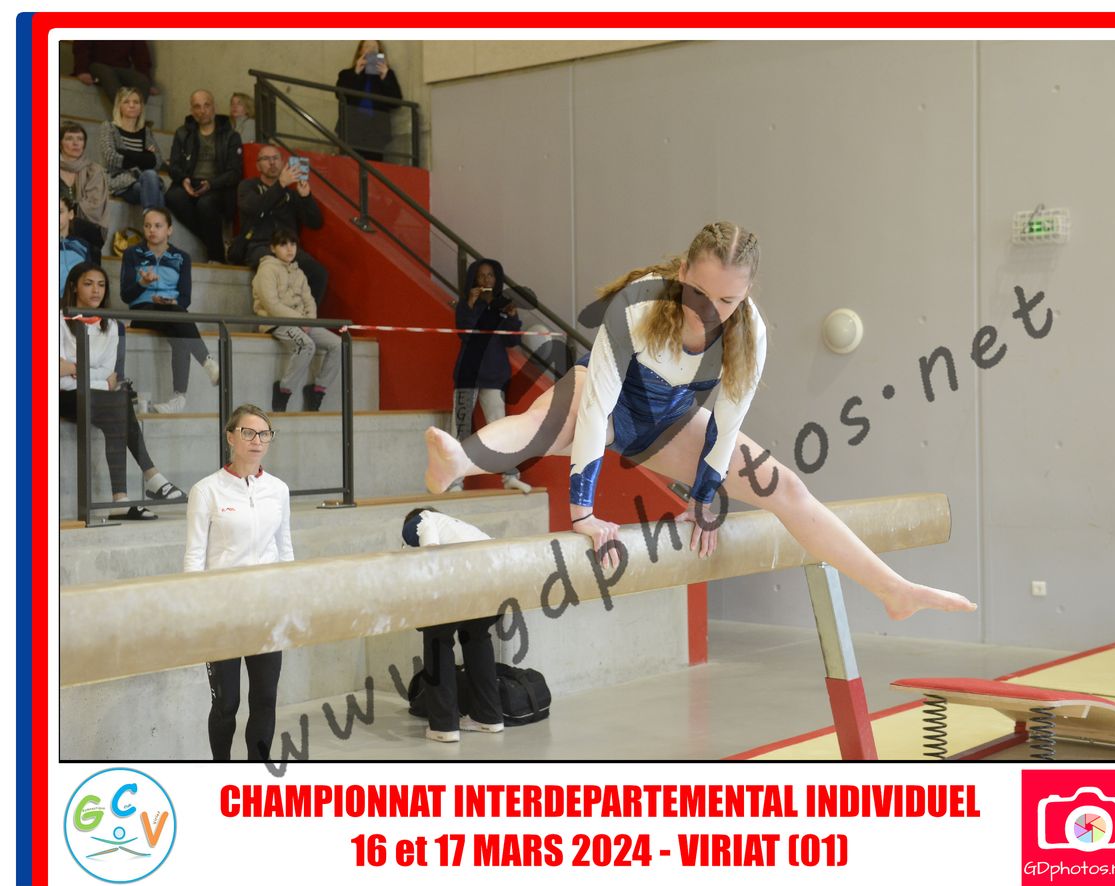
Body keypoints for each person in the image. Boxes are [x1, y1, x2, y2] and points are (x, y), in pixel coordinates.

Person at [424, 222, 978, 622]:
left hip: (669, 425)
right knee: (551, 414)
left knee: (786, 488)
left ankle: (892, 589)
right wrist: (583, 512)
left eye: (729, 299)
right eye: (700, 292)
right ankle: (460, 459)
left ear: (748, 292)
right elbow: (596, 411)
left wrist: (705, 497)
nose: (711, 309)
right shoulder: (638, 305)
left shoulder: (750, 333)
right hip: (605, 406)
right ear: (682, 271)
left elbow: (725, 425)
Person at [183, 403, 293, 761]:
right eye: (248, 432)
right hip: (223, 613)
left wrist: (289, 603)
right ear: (230, 437)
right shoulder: (206, 490)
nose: (257, 440)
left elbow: (285, 549)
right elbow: (194, 557)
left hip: (267, 611)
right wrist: (196, 611)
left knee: (265, 699)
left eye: (264, 434)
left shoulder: (278, 490)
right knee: (226, 704)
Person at [59, 263, 185, 520]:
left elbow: (110, 375)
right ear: (73, 286)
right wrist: (92, 376)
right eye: (88, 284)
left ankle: (123, 499)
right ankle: (150, 479)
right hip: (62, 396)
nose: (96, 290)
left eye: (101, 285)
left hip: (97, 397)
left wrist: (74, 369)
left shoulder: (113, 325)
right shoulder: (57, 319)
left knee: (118, 405)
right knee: (119, 402)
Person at [402, 508, 505, 743]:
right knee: (476, 636)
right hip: (496, 578)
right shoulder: (463, 528)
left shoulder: (420, 519)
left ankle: (444, 725)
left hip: (460, 579)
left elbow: (430, 555)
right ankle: (488, 716)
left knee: (438, 640)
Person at [120, 207, 220, 413]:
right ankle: (207, 362)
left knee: (180, 333)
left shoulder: (182, 257)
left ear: (169, 230)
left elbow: (185, 298)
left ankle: (178, 399)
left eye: (158, 226)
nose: (152, 230)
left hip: (172, 311)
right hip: (142, 311)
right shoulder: (132, 254)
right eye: (147, 226)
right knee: (180, 319)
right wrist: (143, 284)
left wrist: (171, 301)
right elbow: (126, 295)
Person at [449, 258, 531, 493]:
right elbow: (465, 334)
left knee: (500, 429)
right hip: (468, 375)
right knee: (460, 428)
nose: (486, 279)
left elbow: (512, 341)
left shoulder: (502, 305)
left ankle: (510, 477)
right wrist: (471, 304)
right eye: (482, 275)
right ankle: (454, 482)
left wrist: (512, 317)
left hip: (494, 375)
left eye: (491, 275)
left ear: (497, 280)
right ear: (474, 279)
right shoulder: (466, 304)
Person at [252, 228, 340, 412]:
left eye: (293, 244)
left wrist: (309, 321)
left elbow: (310, 301)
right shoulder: (266, 269)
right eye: (283, 244)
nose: (289, 249)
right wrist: (301, 320)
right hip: (276, 322)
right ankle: (283, 390)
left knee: (339, 345)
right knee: (306, 345)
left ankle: (317, 391)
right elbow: (272, 305)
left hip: (302, 323)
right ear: (273, 248)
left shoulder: (298, 272)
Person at [237, 145, 328, 303]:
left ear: (282, 162)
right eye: (266, 159)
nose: (272, 162)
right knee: (276, 267)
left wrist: (306, 197)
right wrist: (280, 184)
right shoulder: (247, 186)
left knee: (319, 273)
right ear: (258, 166)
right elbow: (256, 208)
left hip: (288, 247)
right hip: (259, 246)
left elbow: (315, 223)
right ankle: (282, 315)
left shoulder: (291, 193)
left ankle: (305, 316)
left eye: (276, 158)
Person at [165, 90, 243, 263]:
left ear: (214, 107)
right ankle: (216, 243)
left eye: (206, 105)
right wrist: (183, 179)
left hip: (218, 186)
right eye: (197, 106)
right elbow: (174, 166)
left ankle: (217, 257)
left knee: (205, 204)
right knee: (172, 196)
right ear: (192, 111)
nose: (202, 111)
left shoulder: (231, 136)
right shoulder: (182, 133)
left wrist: (211, 184)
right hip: (190, 181)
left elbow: (234, 172)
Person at [98, 87, 165, 213]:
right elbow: (111, 157)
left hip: (143, 179)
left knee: (150, 176)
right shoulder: (109, 127)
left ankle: (150, 219)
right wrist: (145, 157)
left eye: (136, 102)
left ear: (141, 107)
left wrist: (125, 154)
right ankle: (156, 222)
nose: (132, 105)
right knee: (155, 190)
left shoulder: (145, 131)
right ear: (119, 106)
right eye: (126, 102)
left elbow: (157, 161)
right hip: (119, 181)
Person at [335, 40, 403, 161]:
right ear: (360, 51)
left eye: (374, 47)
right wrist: (356, 72)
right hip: (351, 130)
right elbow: (340, 95)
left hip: (376, 131)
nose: (371, 49)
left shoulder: (387, 74)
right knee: (349, 166)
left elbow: (396, 102)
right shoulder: (346, 74)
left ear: (380, 52)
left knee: (373, 166)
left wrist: (385, 77)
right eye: (367, 46)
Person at [59, 121, 109, 248]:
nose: (75, 143)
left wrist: (68, 213)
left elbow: (95, 207)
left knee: (86, 232)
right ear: (60, 143)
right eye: (69, 138)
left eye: (80, 139)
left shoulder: (94, 170)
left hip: (85, 226)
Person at [71, 40, 156, 106]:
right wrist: (82, 70)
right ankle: (124, 112)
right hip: (96, 65)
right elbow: (81, 47)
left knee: (142, 81)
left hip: (120, 68)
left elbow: (141, 56)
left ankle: (134, 116)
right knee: (106, 73)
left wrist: (148, 82)